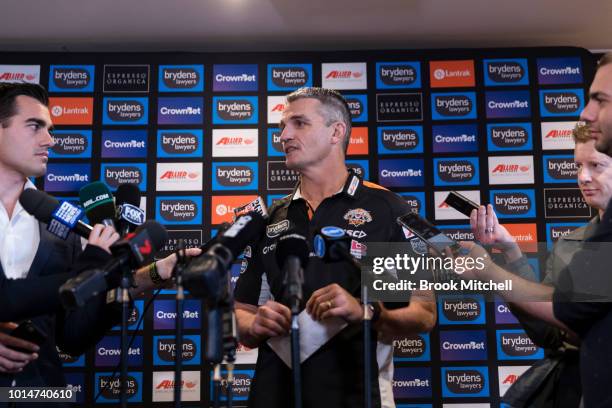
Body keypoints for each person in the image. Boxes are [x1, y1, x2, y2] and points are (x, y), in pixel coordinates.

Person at [233, 87, 436, 408]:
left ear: (336, 132)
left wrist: (364, 312)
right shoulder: (271, 218)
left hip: (358, 394)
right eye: (282, 126)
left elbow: (423, 313)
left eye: (299, 123)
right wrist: (254, 325)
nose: (284, 135)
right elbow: (243, 311)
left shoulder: (385, 210)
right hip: (273, 395)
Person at [0, 83, 194, 399]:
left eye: (50, 129)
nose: (49, 140)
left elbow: (72, 338)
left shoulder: (62, 225)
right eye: (34, 126)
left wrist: (113, 281)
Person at [456, 52, 612, 408]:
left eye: (597, 165)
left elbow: (570, 315)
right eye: (577, 166)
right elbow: (550, 332)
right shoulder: (571, 243)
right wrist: (509, 251)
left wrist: (490, 270)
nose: (584, 177)